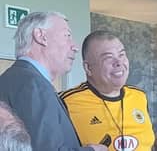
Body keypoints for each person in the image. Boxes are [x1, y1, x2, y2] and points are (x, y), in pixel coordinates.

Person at [0, 12, 108, 151]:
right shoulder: (33, 84)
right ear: (41, 36)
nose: (74, 46)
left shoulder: (14, 79)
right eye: (67, 36)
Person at [59, 30, 155, 151]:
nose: (119, 63)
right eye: (109, 58)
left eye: (121, 55)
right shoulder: (66, 102)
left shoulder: (139, 96)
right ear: (88, 68)